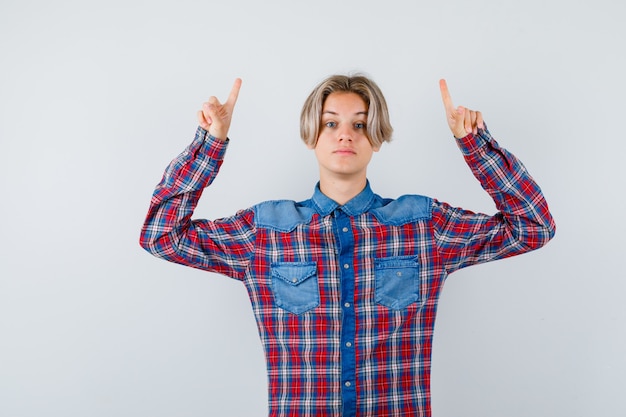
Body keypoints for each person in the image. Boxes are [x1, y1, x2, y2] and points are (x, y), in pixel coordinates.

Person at [139, 74, 555, 417]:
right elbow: (161, 235)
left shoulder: (423, 225)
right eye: (330, 122)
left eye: (359, 124)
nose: (345, 135)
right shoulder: (264, 232)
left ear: (376, 138)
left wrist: (475, 144)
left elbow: (532, 226)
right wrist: (209, 143)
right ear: (310, 135)